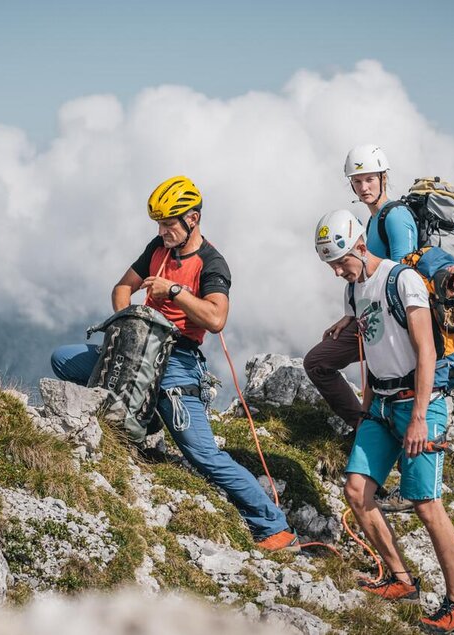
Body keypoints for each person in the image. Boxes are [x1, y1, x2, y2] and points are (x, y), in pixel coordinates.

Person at [50, 175, 299, 551]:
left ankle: (273, 526)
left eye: (169, 224)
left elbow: (216, 319)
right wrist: (128, 322)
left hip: (177, 359)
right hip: (136, 348)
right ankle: (143, 421)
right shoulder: (157, 247)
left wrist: (175, 291)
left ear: (193, 220)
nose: (162, 231)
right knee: (64, 360)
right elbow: (121, 288)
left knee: (201, 453)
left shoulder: (212, 264)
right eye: (159, 225)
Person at [315, 208, 454, 634]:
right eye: (331, 265)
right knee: (355, 490)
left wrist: (420, 418)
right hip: (382, 403)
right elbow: (371, 351)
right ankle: (401, 580)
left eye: (341, 262)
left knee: (425, 503)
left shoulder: (401, 281)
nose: (337, 272)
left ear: (361, 247)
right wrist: (368, 406)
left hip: (419, 404)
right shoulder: (353, 291)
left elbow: (427, 352)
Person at [303, 145, 417, 432]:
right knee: (318, 362)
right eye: (357, 181)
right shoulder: (373, 219)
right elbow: (365, 272)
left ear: (383, 178)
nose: (364, 187)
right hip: (370, 314)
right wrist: (351, 313)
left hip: (394, 320)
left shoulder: (396, 216)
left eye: (370, 179)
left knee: (318, 362)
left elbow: (404, 273)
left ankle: (365, 428)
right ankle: (366, 428)